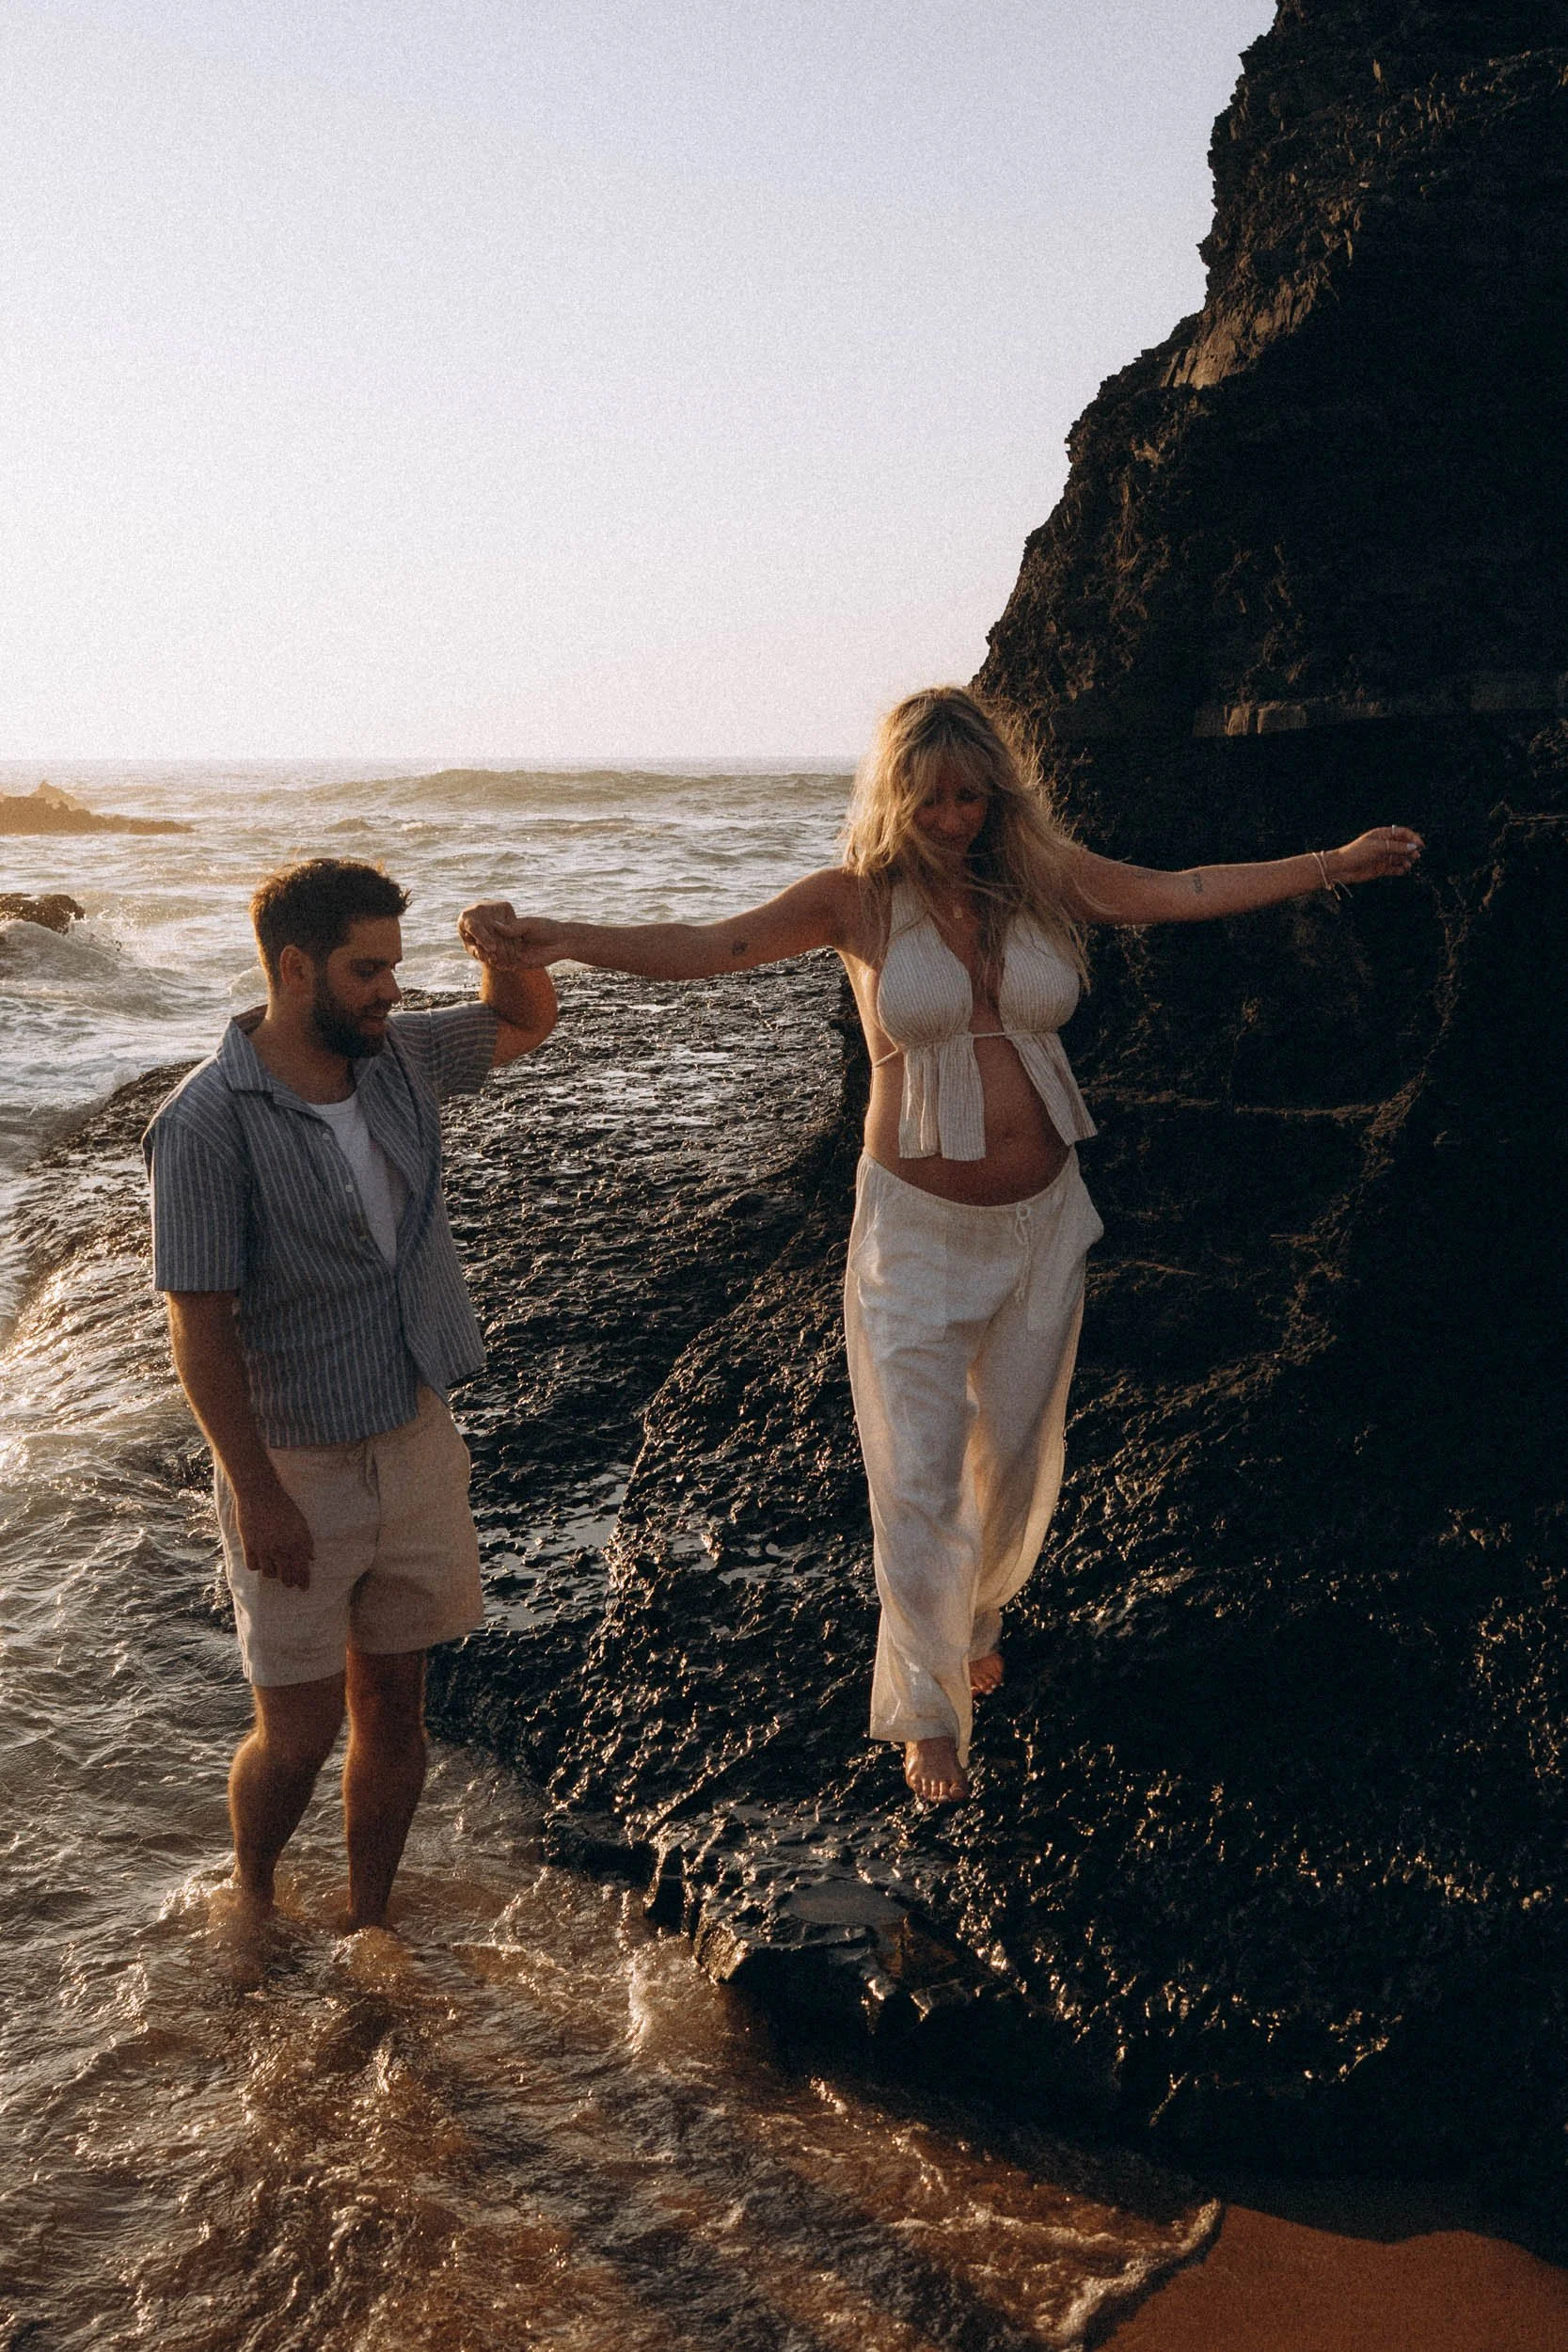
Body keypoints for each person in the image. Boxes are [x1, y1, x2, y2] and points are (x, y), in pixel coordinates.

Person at [459, 688, 1421, 1804]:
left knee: (1009, 1459)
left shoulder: (1040, 879)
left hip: (1042, 1218)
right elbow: (709, 943)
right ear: (892, 795)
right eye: (931, 799)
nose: (953, 818)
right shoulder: (852, 903)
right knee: (916, 1470)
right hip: (912, 1229)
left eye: (970, 796)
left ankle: (969, 1620)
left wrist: (1330, 864)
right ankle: (927, 1716)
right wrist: (567, 940)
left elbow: (1183, 891)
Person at [144, 858, 555, 1933]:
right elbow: (199, 1327)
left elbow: (525, 1022)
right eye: (367, 969)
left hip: (414, 1431)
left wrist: (501, 952)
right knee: (298, 1731)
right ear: (294, 968)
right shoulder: (203, 1123)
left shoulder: (400, 1057)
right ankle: (253, 1896)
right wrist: (257, 1492)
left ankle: (368, 1920)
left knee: (396, 1709)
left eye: (395, 968)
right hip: (294, 1464)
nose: (390, 991)